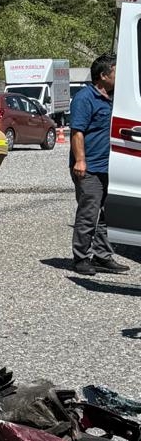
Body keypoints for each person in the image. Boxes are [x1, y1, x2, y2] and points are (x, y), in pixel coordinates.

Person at [69, 53, 128, 275]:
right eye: (116, 72)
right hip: (89, 167)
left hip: (109, 166)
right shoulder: (85, 98)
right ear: (103, 75)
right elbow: (77, 132)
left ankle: (102, 256)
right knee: (88, 213)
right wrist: (81, 161)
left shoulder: (114, 98)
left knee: (105, 214)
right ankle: (81, 258)